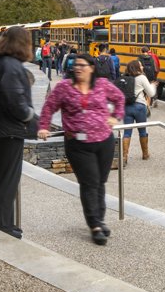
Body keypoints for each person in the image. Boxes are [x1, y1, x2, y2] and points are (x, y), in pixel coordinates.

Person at [38, 53, 125, 245]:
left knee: (100, 182)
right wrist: (43, 126)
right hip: (78, 144)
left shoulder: (102, 84)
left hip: (104, 141)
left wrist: (115, 117)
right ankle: (94, 225)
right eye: (75, 65)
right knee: (89, 182)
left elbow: (119, 98)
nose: (77, 68)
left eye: (82, 65)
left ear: (91, 68)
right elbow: (49, 107)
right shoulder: (64, 87)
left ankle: (100, 219)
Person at [0, 26, 37, 239]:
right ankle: (3, 225)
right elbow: (16, 102)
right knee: (8, 179)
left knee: (1, 177)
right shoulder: (13, 67)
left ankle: (0, 222)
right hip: (9, 130)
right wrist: (30, 115)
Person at [120, 60, 155, 164]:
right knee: (142, 131)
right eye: (140, 65)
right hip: (139, 106)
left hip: (126, 107)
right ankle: (145, 154)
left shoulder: (124, 77)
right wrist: (153, 86)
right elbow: (151, 93)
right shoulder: (142, 78)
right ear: (137, 67)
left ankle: (124, 156)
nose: (142, 67)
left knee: (127, 132)